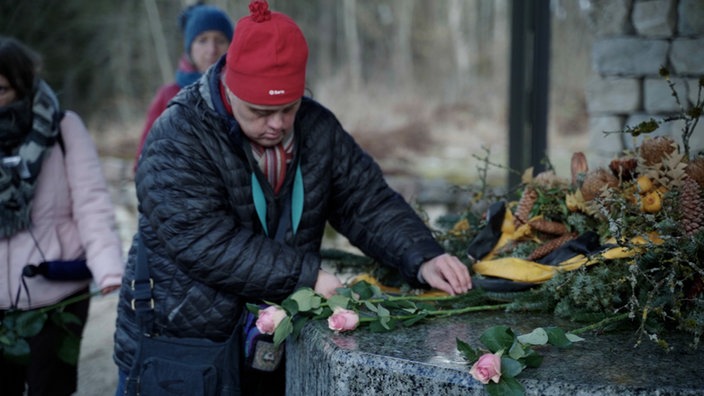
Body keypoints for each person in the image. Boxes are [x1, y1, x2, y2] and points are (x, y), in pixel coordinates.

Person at [113, 1, 472, 394]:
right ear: (230, 87)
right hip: (184, 342)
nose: (278, 124)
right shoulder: (178, 135)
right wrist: (306, 277)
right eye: (260, 111)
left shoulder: (317, 128)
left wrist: (422, 256)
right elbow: (203, 240)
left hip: (268, 339)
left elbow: (365, 201)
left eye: (289, 108)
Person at [0, 36, 124, 396]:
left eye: (2, 89)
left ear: (22, 85)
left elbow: (91, 203)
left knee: (49, 389)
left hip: (57, 293)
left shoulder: (63, 127)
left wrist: (109, 269)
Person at [133, 2, 233, 171]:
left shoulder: (239, 95)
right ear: (189, 47)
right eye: (202, 40)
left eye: (220, 40)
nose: (211, 49)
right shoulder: (168, 95)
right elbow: (144, 160)